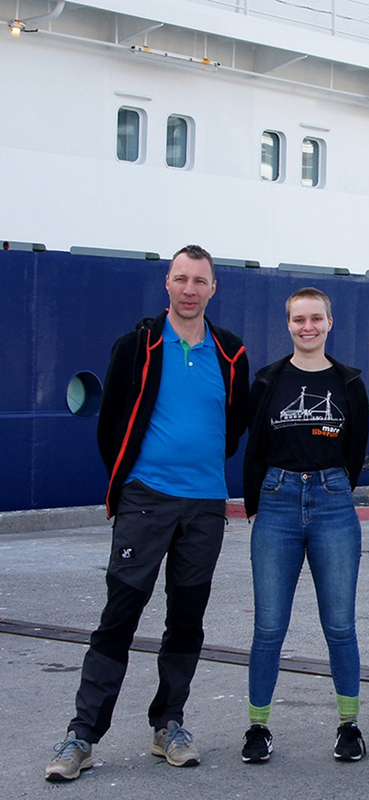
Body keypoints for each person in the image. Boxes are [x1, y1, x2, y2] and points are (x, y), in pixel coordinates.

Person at [45, 245, 249, 782]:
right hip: (146, 500)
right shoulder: (137, 345)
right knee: (119, 616)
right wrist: (134, 481)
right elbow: (110, 422)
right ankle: (82, 735)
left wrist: (198, 469)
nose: (189, 289)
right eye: (181, 279)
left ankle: (169, 724)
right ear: (167, 284)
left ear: (212, 288)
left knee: (186, 620)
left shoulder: (230, 352)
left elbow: (233, 429)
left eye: (199, 281)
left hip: (205, 505)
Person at [240, 288, 369, 764]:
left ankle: (349, 725)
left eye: (316, 318)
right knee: (269, 627)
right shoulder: (269, 381)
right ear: (288, 324)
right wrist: (259, 501)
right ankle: (257, 728)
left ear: (329, 323)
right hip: (276, 503)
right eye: (299, 319)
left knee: (339, 625)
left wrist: (333, 485)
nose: (307, 327)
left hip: (334, 503)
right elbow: (255, 447)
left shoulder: (349, 382)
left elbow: (355, 451)